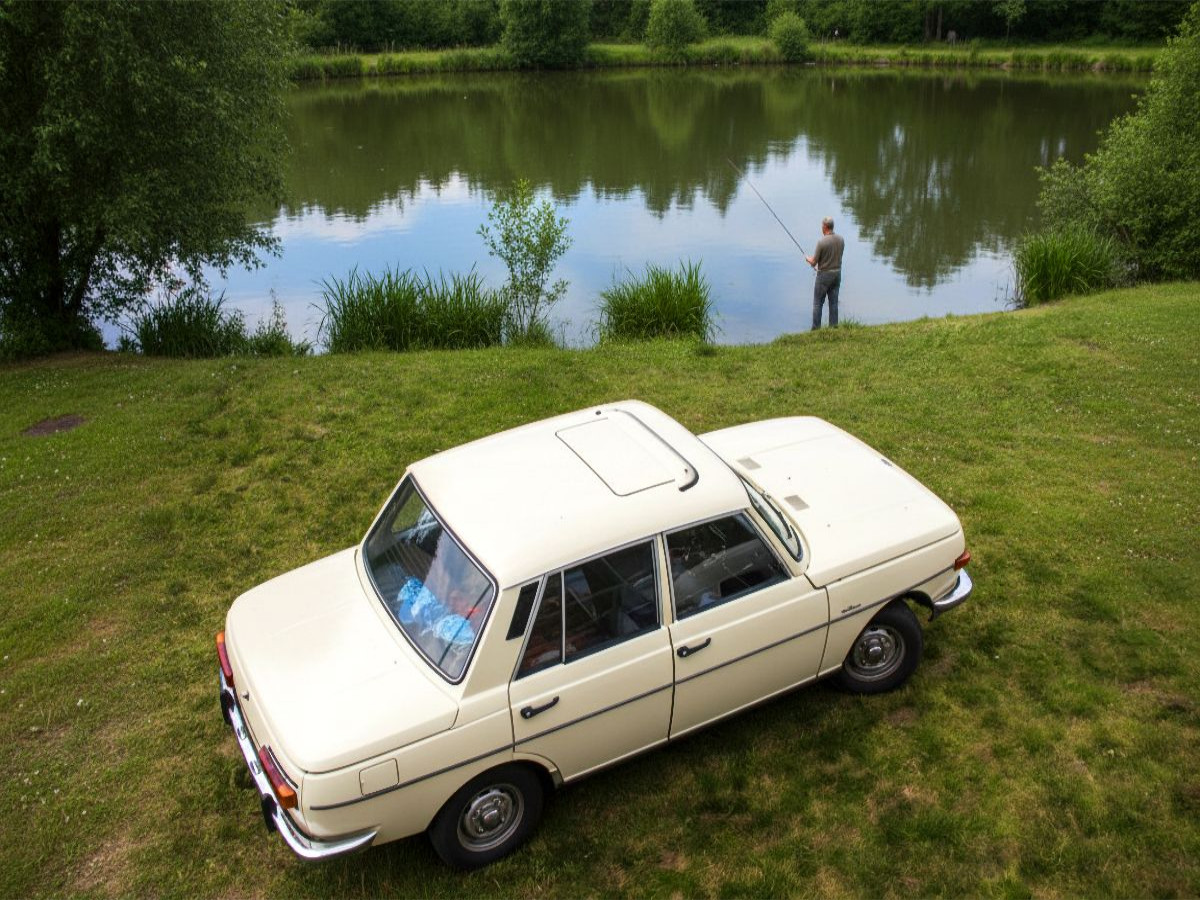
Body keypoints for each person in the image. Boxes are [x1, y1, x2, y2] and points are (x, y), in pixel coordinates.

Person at [805, 216, 845, 330]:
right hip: (837, 274)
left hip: (824, 276)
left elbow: (814, 262)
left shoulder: (821, 242)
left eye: (822, 226)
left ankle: (816, 328)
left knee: (818, 303)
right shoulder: (841, 239)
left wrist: (808, 259)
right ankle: (834, 327)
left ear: (825, 226)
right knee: (833, 303)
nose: (821, 228)